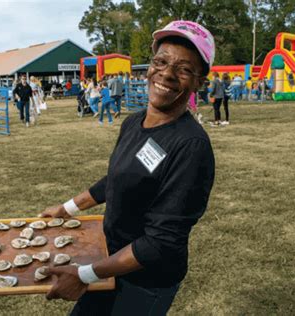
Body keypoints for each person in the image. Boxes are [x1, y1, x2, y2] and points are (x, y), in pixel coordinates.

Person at [40, 20, 215, 315]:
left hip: (146, 281)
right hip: (108, 262)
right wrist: (67, 208)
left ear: (199, 82)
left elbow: (161, 242)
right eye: (161, 61)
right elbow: (119, 177)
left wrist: (85, 275)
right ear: (149, 66)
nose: (167, 74)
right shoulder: (133, 123)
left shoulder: (191, 147)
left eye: (184, 69)